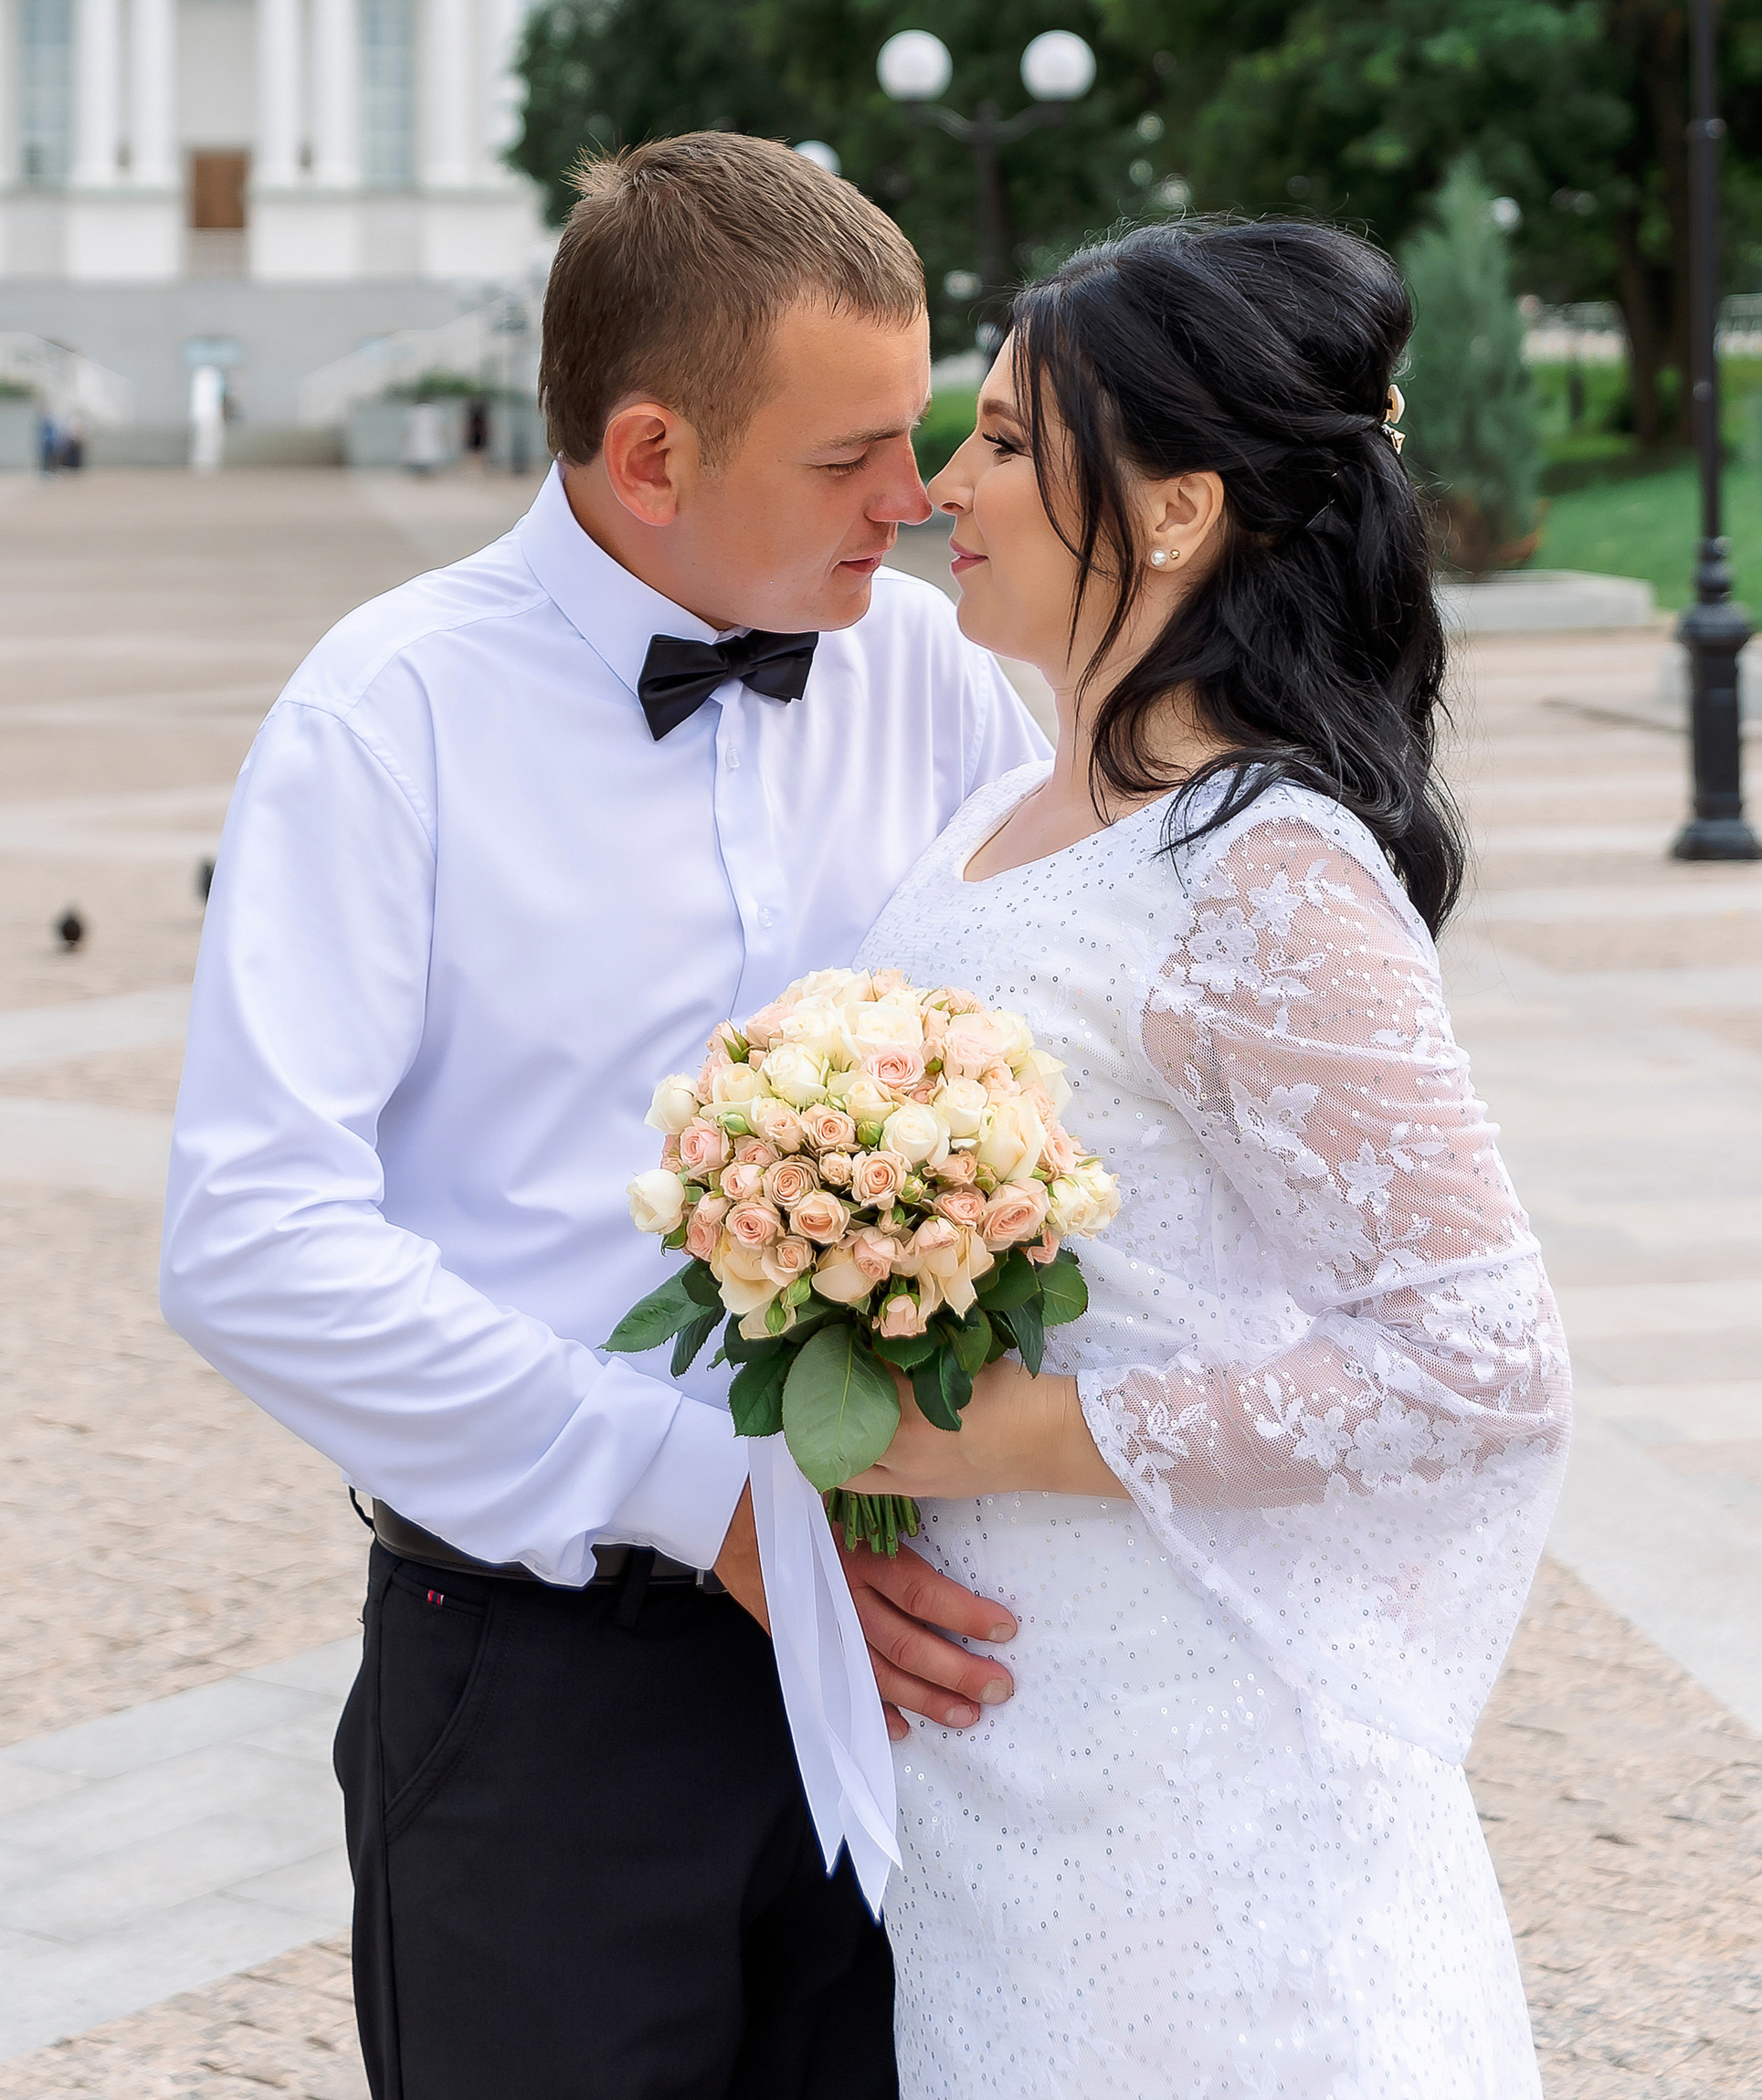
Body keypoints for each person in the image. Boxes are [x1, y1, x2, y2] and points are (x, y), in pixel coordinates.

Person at [161, 134, 1044, 2100]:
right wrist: (697, 1490)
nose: (912, 510)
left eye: (920, 442)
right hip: (543, 1689)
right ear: (647, 458)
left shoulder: (941, 687)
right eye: (850, 459)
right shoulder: (381, 719)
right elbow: (250, 1241)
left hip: (918, 1654)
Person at [838, 218, 1571, 2099]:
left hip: (1198, 1778)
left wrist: (1022, 1440)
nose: (939, 485)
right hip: (1005, 1757)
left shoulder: (1260, 868)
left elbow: (1479, 1364)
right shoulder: (1016, 803)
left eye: (1000, 441)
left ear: (1171, 514)